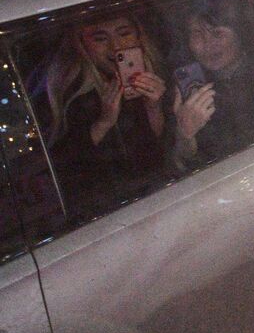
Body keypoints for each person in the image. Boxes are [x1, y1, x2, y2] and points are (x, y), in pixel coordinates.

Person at [39, 13, 169, 216]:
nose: (115, 46)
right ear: (82, 44)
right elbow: (59, 171)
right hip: (101, 212)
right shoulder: (68, 94)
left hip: (156, 198)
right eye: (100, 39)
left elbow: (161, 154)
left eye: (124, 34)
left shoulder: (160, 76)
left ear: (138, 36)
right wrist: (104, 122)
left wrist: (153, 106)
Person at [167, 0, 254, 167]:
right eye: (197, 34)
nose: (208, 43)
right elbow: (181, 167)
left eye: (217, 33)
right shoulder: (187, 89)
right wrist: (185, 134)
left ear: (239, 33)